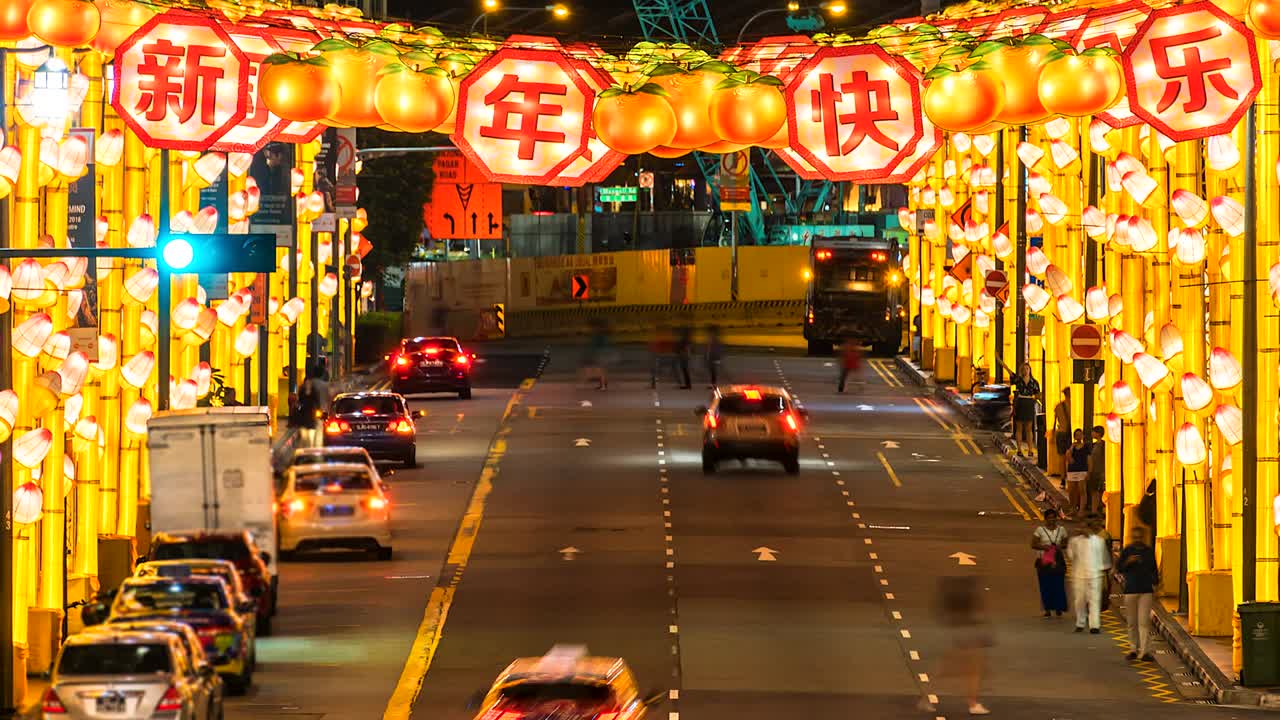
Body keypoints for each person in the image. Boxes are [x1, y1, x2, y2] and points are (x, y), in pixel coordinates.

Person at [919, 575, 992, 716]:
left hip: (959, 635)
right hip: (967, 636)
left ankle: (925, 698)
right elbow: (977, 617)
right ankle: (972, 703)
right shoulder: (969, 602)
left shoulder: (954, 604)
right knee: (973, 671)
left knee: (949, 668)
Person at [1117, 526, 1158, 662]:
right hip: (1131, 590)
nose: (1137, 540)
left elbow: (1154, 569)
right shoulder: (1128, 550)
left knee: (1143, 622)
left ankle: (1145, 651)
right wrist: (1128, 562)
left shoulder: (1148, 551)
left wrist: (1155, 583)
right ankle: (1133, 649)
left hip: (1145, 590)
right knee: (1132, 622)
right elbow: (1119, 567)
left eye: (1139, 537)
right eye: (1135, 537)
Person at [1067, 515, 1112, 634]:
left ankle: (1094, 625)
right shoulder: (1075, 541)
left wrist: (1105, 572)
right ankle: (1080, 622)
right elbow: (1070, 556)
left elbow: (1105, 559)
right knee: (1080, 600)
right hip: (1079, 575)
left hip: (1095, 574)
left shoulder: (1099, 541)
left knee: (1094, 600)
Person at [1031, 509, 1068, 618]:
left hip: (1057, 561)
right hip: (1044, 561)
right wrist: (1045, 547)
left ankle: (1058, 608)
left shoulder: (1062, 530)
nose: (1052, 520)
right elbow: (1033, 544)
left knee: (1058, 585)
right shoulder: (1040, 530)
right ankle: (1047, 609)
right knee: (1045, 585)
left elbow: (1065, 543)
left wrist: (1058, 547)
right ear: (1045, 518)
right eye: (1049, 517)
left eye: (1054, 517)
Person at [1011, 363, 1041, 457]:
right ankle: (1019, 449)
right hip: (1020, 402)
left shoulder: (1034, 382)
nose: (1026, 370)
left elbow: (1038, 394)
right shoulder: (1018, 380)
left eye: (1027, 368)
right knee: (1019, 427)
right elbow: (1010, 374)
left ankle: (1030, 450)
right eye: (1024, 369)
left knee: (1029, 428)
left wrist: (1035, 398)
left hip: (1029, 403)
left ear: (1030, 370)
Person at [1066, 429, 1091, 518]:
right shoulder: (1071, 446)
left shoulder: (1086, 446)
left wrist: (1089, 471)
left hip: (1082, 469)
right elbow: (1068, 458)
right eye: (1077, 435)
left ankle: (1081, 510)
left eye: (1080, 434)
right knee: (1072, 491)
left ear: (1083, 436)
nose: (1079, 436)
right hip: (1072, 470)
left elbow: (1089, 459)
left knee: (1082, 490)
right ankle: (1072, 508)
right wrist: (1072, 448)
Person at [1087, 425, 1106, 514]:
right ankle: (1094, 510)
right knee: (1094, 491)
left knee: (1098, 491)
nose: (1092, 433)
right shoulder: (1094, 445)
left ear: (1098, 434)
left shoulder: (1103, 445)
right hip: (1093, 470)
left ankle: (1097, 509)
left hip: (1100, 471)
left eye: (1093, 432)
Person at [1053, 388, 1072, 477]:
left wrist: (1053, 434)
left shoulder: (1058, 406)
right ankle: (1069, 476)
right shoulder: (1073, 405)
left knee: (1061, 457)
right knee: (1069, 456)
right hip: (1069, 433)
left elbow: (1054, 422)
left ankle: (1062, 478)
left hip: (1060, 433)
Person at [650, 323, 674, 389]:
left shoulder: (663, 336)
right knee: (654, 370)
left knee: (655, 369)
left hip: (660, 354)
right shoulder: (658, 336)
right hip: (658, 354)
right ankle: (654, 383)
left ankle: (654, 383)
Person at [673, 323, 693, 389]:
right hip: (684, 355)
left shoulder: (685, 339)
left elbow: (684, 347)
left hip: (683, 355)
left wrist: (680, 351)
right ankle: (687, 384)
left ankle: (687, 384)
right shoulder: (686, 338)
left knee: (685, 370)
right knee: (684, 370)